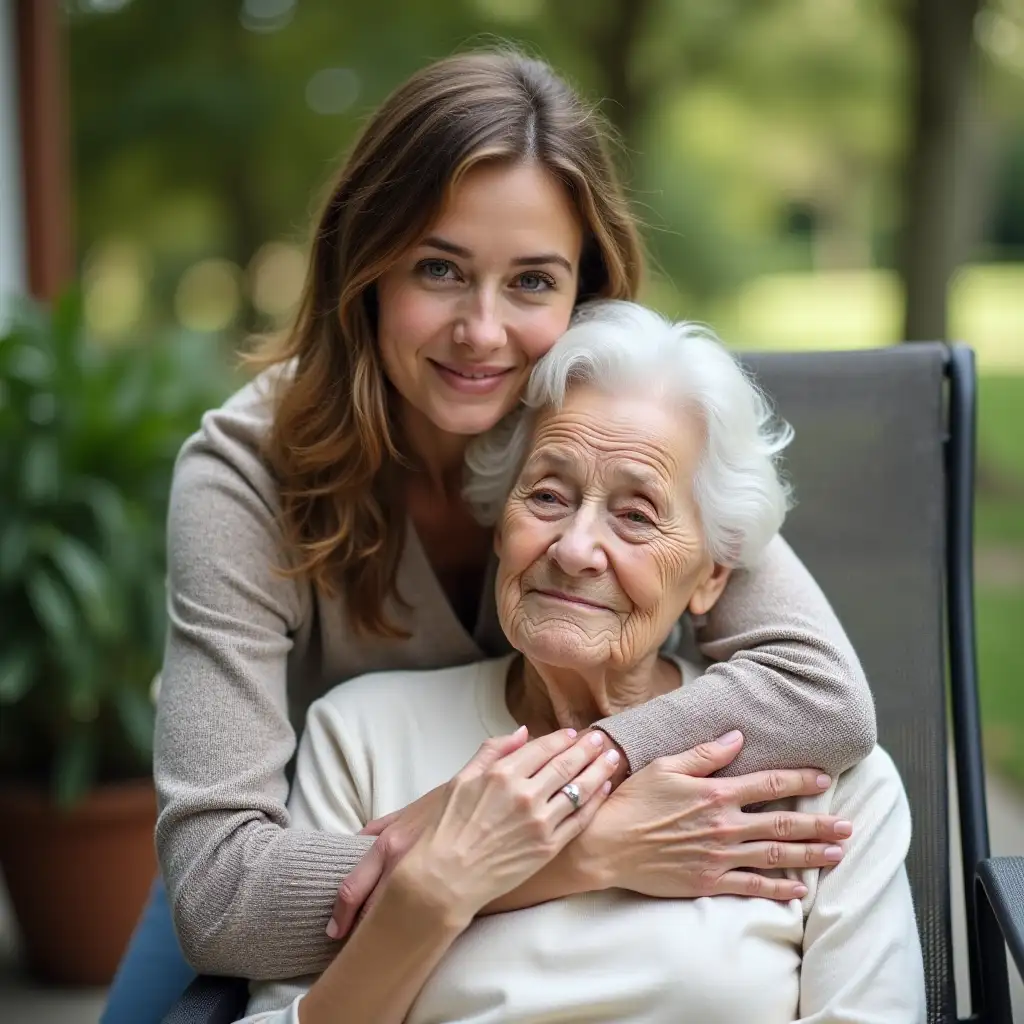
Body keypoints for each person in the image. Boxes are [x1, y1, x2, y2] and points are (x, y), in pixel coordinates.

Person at [102, 49, 875, 1024]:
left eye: (531, 282)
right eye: (439, 269)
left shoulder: (610, 434)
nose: (481, 332)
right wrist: (566, 843)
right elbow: (224, 899)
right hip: (298, 867)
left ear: (583, 294)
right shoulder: (245, 473)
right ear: (365, 267)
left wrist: (556, 786)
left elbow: (820, 690)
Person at [238, 301, 925, 1024]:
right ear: (498, 525)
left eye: (636, 515)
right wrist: (436, 890)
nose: (573, 549)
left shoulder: (821, 781)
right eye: (547, 495)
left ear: (712, 577)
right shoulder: (362, 736)